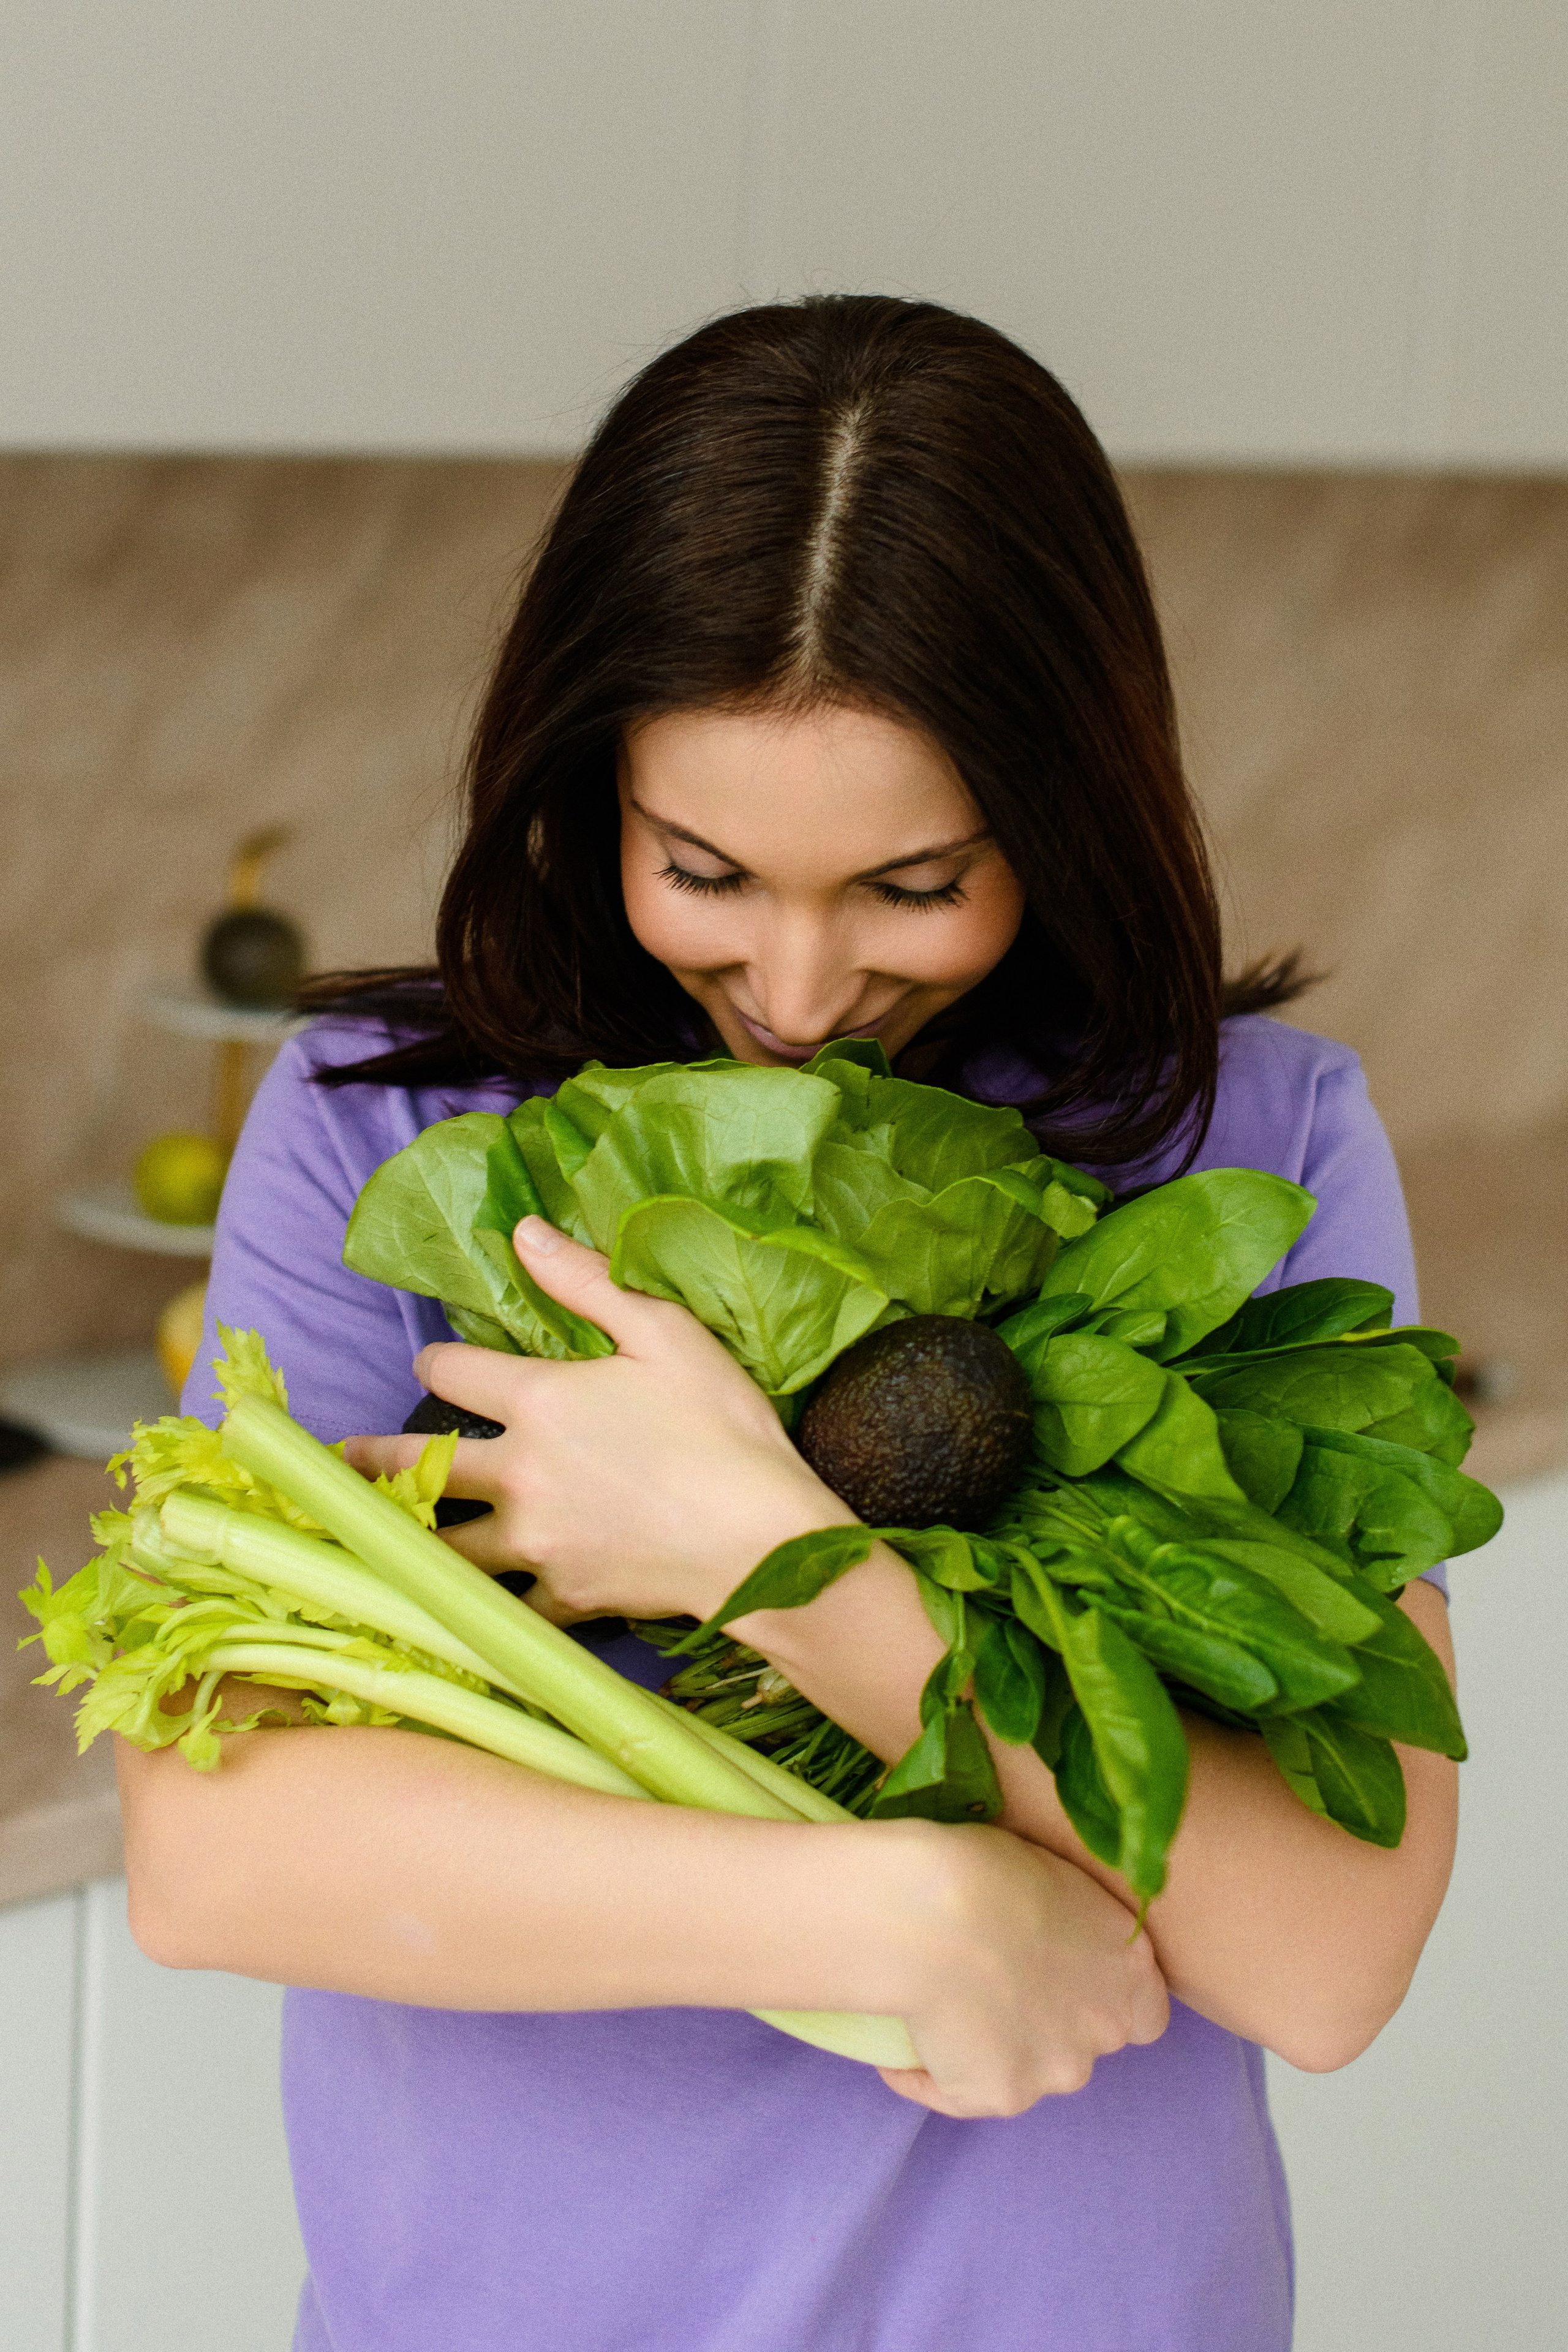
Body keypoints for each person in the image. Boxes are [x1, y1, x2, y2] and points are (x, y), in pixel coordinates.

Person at [116, 296, 1457, 2352]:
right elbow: (219, 1855)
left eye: (915, 887)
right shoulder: (382, 1123)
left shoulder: (1252, 1148)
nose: (804, 986)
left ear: (1069, 812)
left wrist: (763, 1562)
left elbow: (1333, 1953)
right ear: (594, 791)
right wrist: (896, 1906)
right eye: (706, 870)